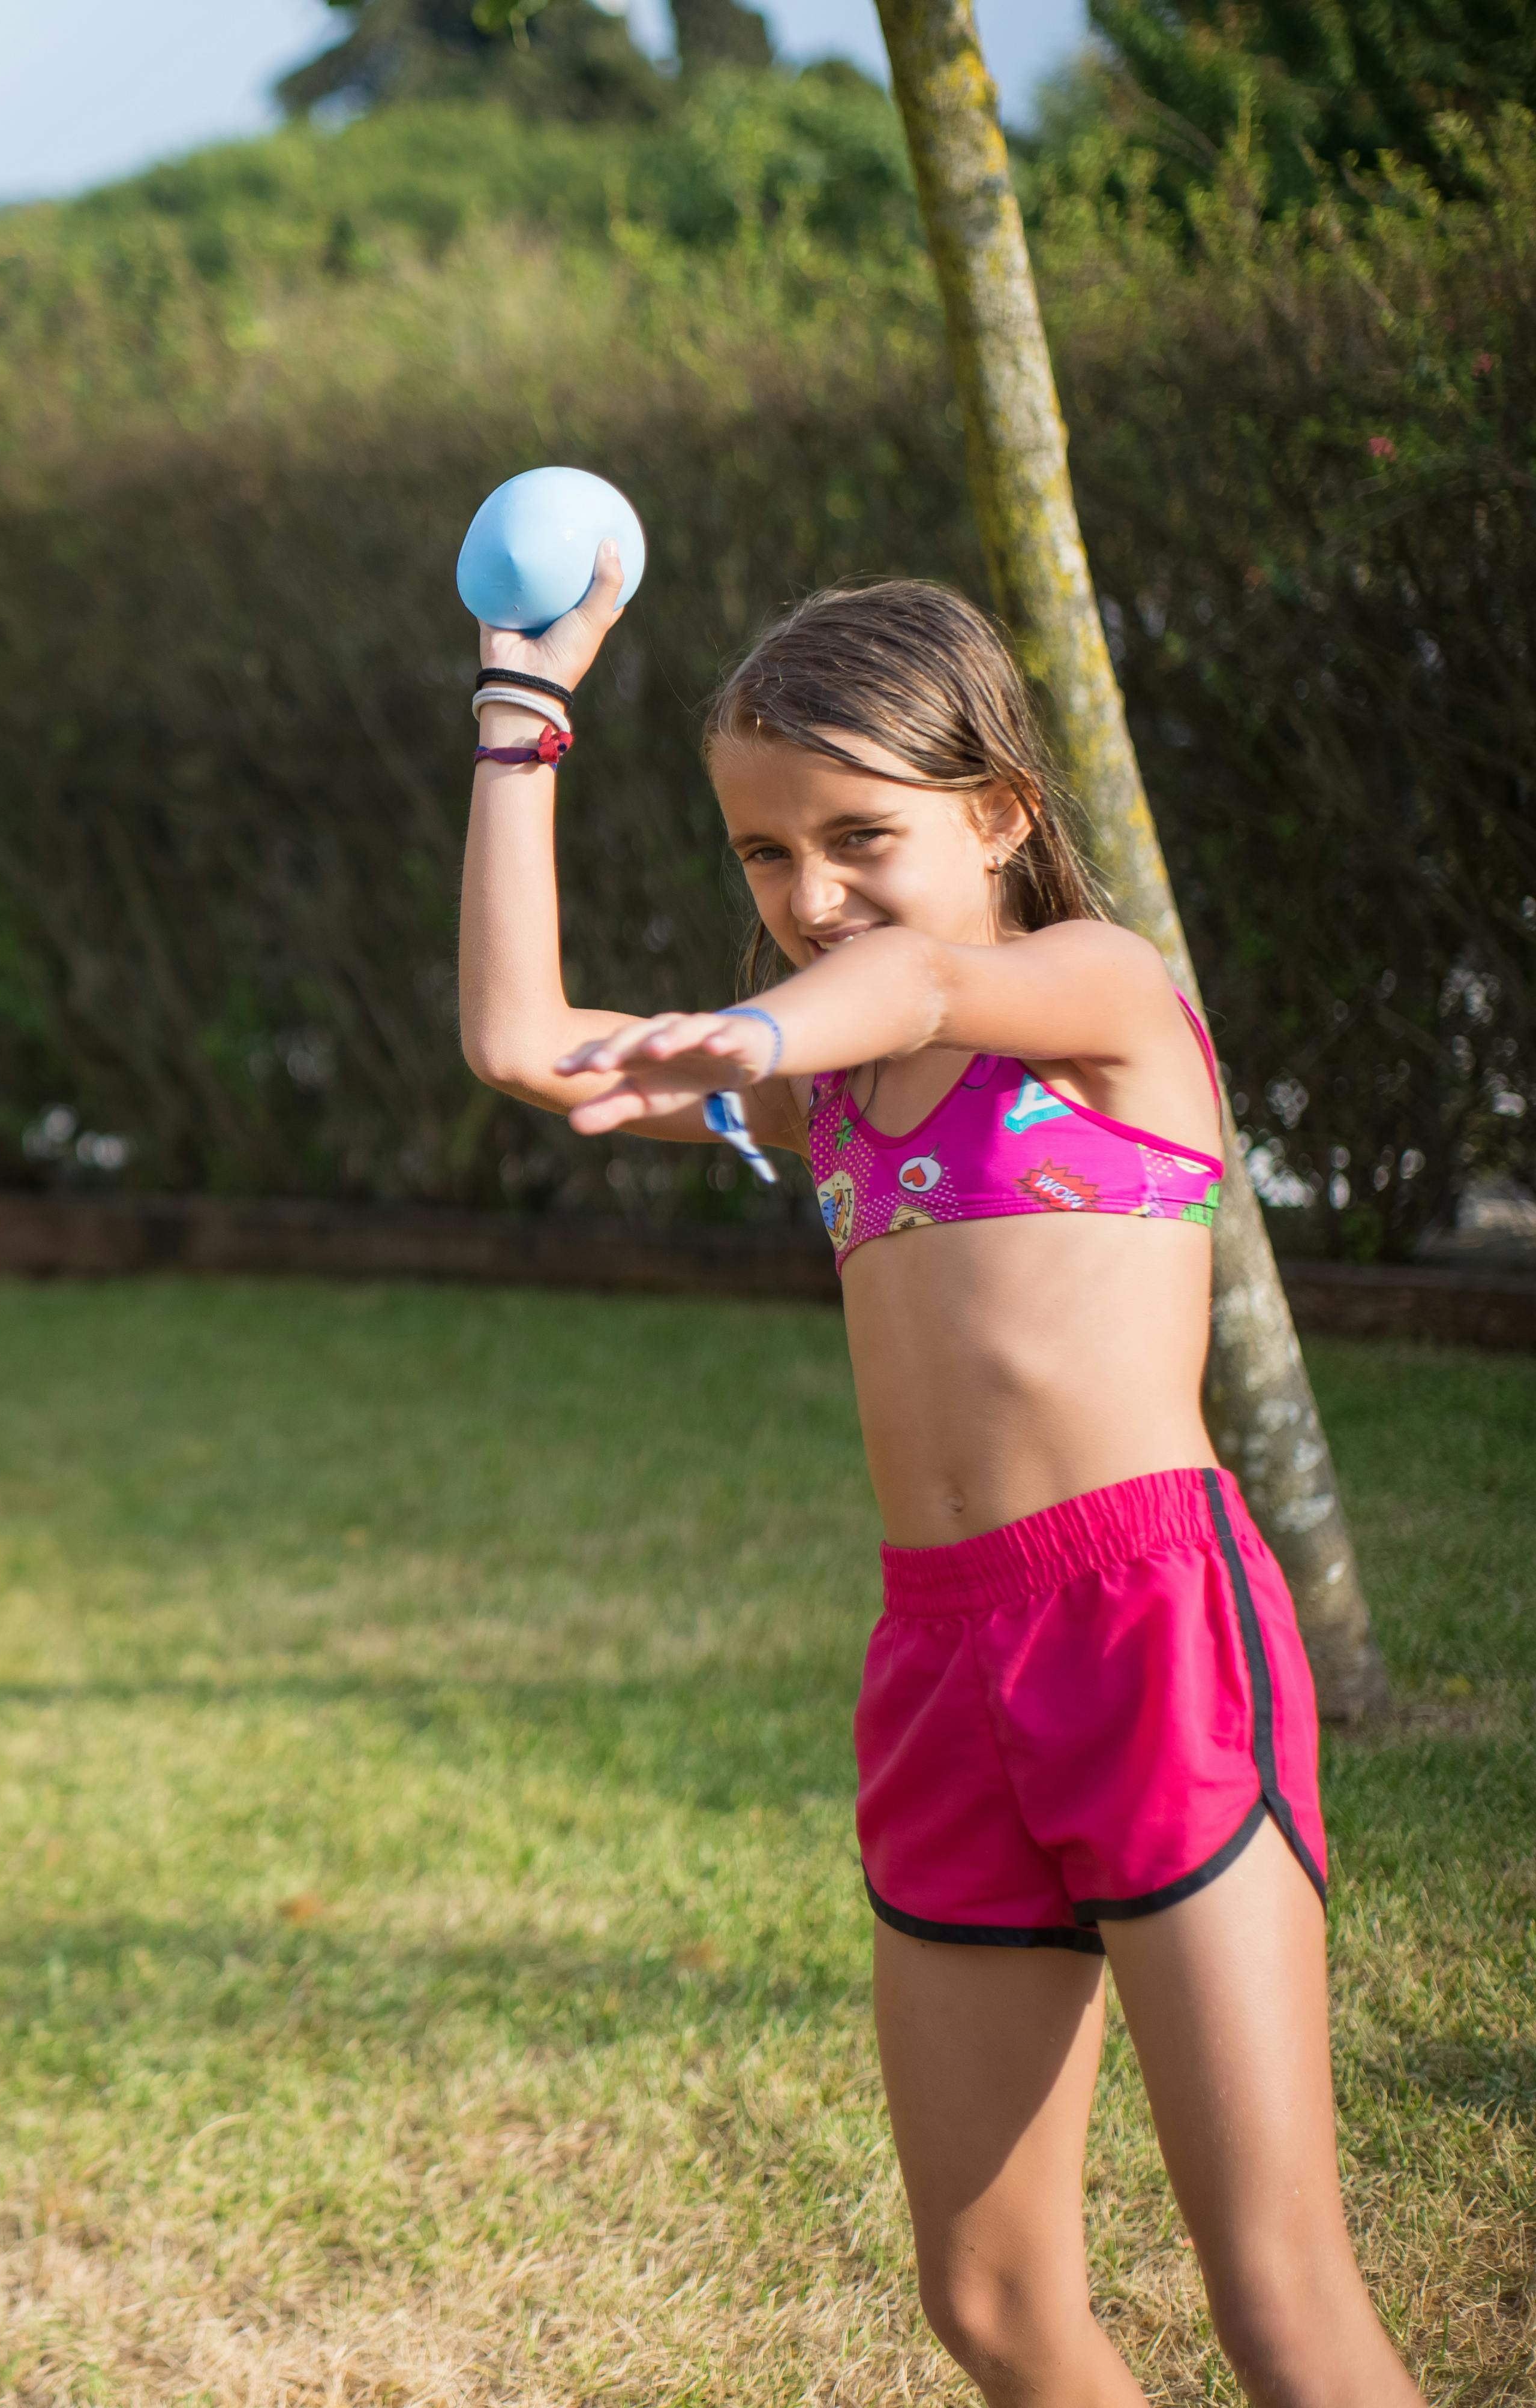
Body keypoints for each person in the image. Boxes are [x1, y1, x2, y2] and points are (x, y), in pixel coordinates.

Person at [453, 566, 1421, 2408]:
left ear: (1001, 813)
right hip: (941, 1665)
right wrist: (518, 712)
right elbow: (521, 1043)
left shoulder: (1100, 1000)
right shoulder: (832, 1081)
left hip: (1151, 1628)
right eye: (760, 854)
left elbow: (927, 975)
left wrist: (750, 1031)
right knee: (991, 2305)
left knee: (1278, 2294)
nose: (806, 895)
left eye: (859, 835)